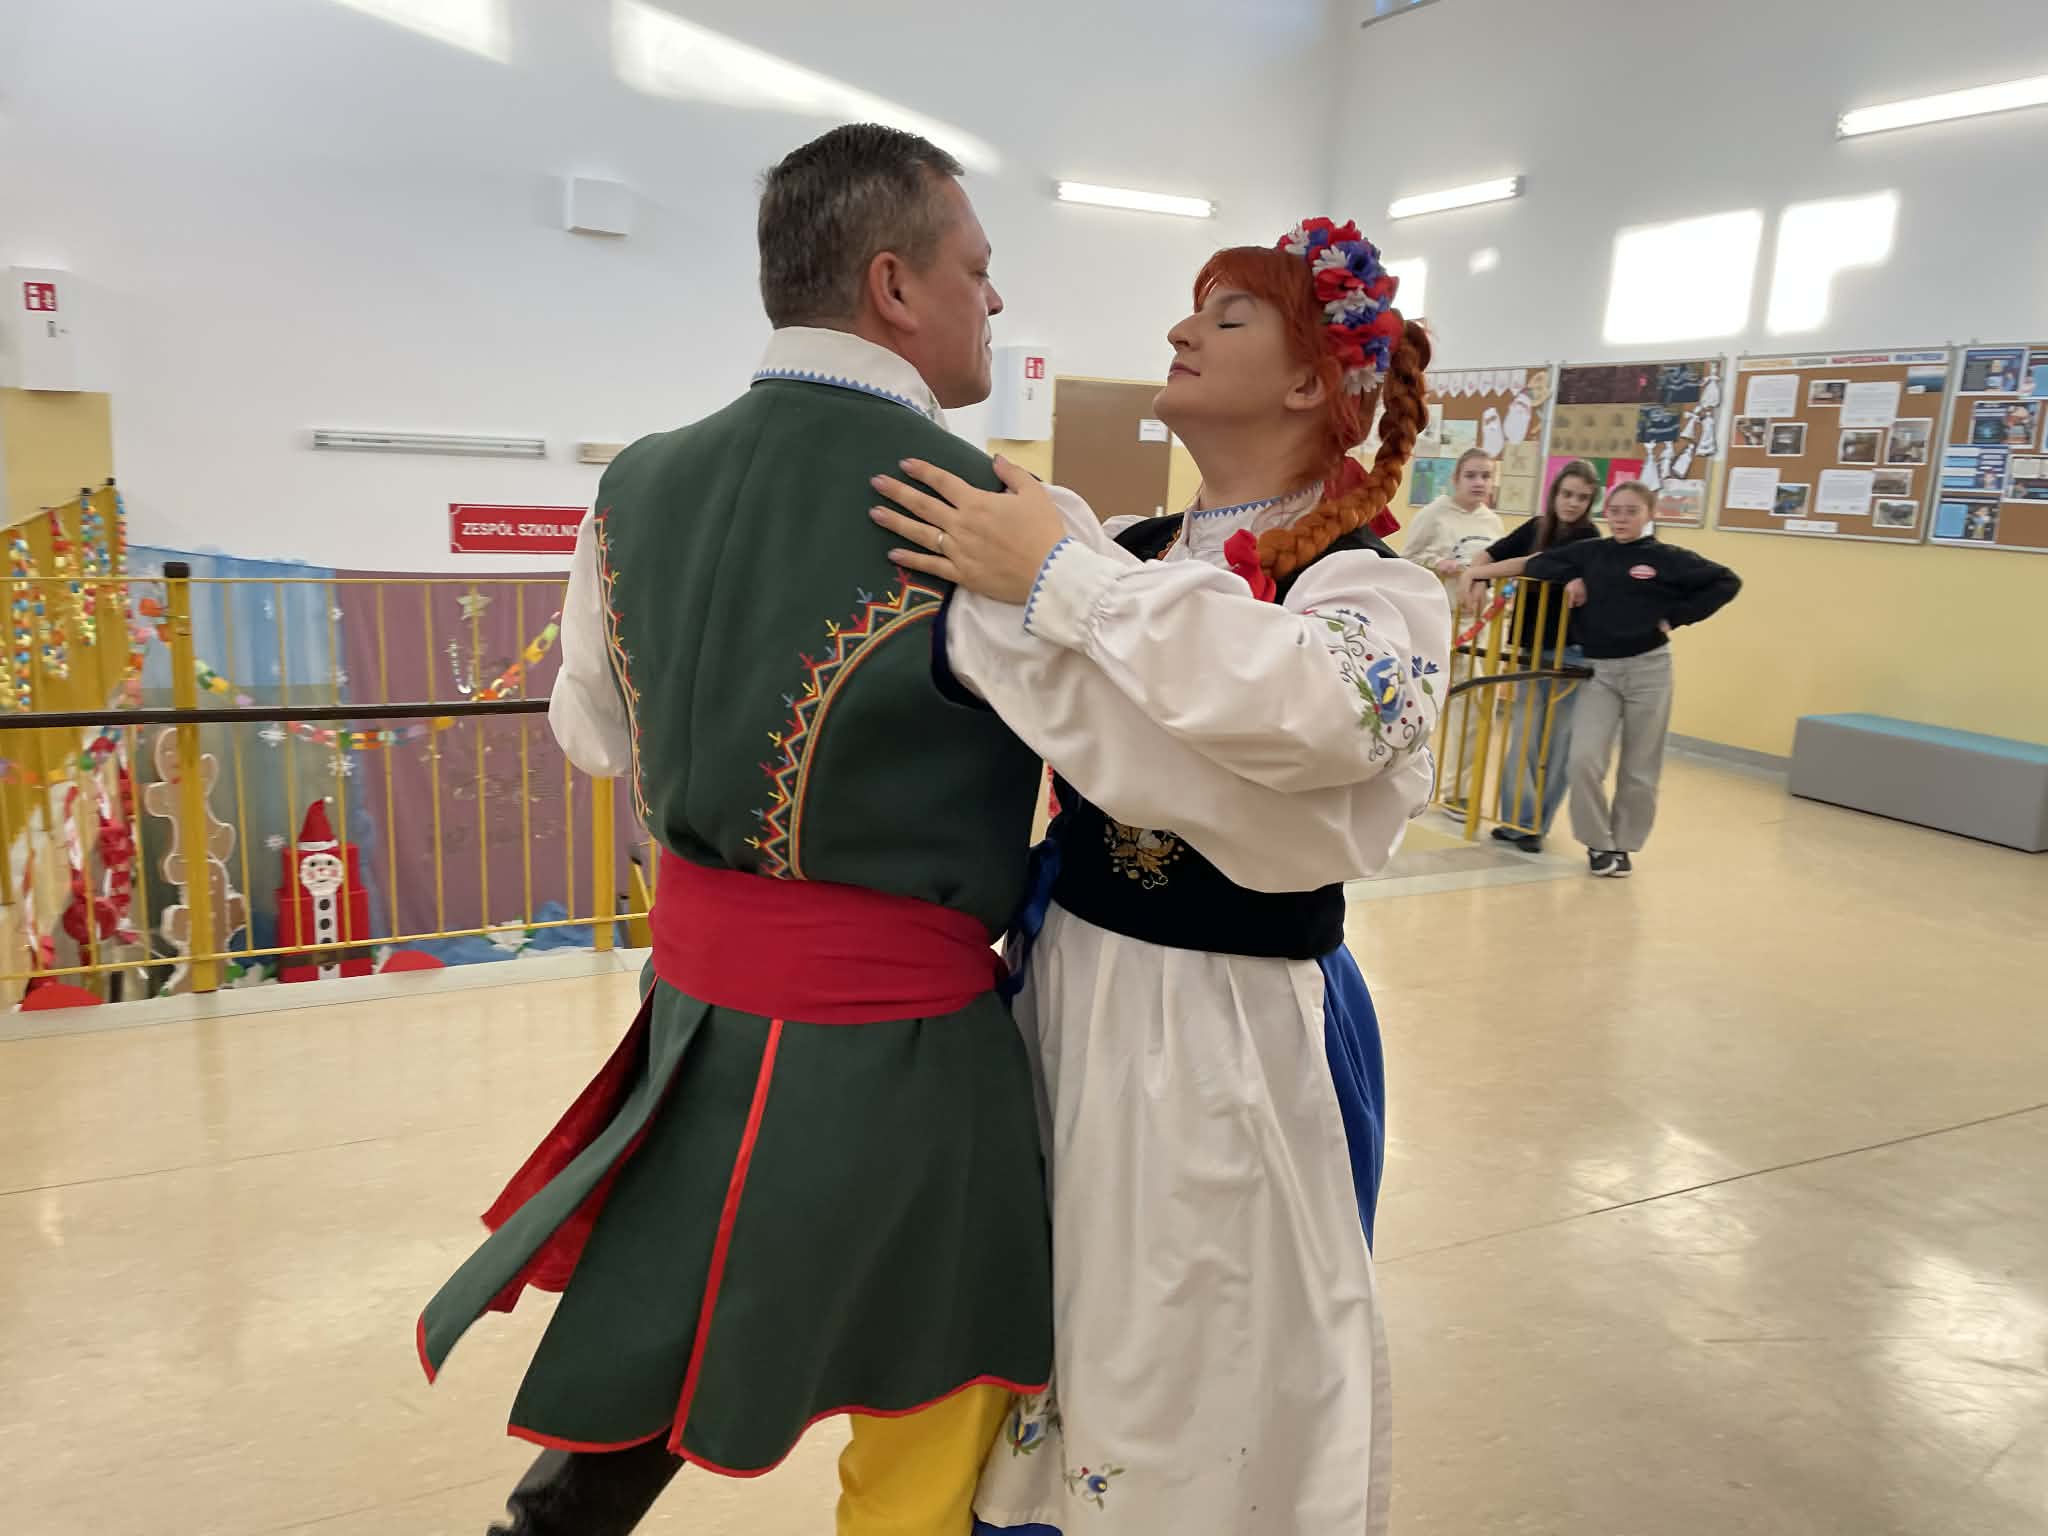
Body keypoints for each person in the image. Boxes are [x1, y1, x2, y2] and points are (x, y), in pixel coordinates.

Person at [416, 124, 1058, 1536]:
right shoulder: (996, 513)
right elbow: (1108, 747)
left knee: (661, 1339)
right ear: (894, 285)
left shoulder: (635, 482)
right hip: (905, 1050)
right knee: (933, 1388)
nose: (995, 299)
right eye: (976, 267)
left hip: (702, 1023)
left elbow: (593, 736)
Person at [869, 216, 1451, 1536]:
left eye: (1227, 318)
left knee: (1200, 1335)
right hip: (1068, 986)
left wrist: (1062, 587)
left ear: (1309, 380)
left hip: (1224, 1017)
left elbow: (1325, 717)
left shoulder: (1369, 589)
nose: (1181, 331)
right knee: (1069, 1305)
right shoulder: (1120, 548)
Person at [1523, 480, 1741, 877]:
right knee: (1583, 760)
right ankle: (1597, 842)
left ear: (1650, 514)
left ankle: (1624, 845)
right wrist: (1571, 579)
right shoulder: (1592, 553)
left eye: (1631, 512)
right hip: (1599, 672)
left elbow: (1726, 581)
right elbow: (1539, 565)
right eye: (1615, 511)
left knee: (1640, 766)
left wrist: (1675, 617)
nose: (1621, 519)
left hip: (1649, 670)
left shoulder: (1668, 559)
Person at [1457, 459, 1603, 851]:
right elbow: (1490, 554)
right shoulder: (1538, 527)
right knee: (1523, 736)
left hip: (1570, 652)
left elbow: (1532, 565)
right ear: (1554, 493)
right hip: (1528, 646)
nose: (1572, 503)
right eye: (1567, 494)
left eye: (1582, 498)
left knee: (1557, 743)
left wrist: (1479, 574)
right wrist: (1475, 573)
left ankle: (1536, 823)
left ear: (1590, 503)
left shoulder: (1590, 537)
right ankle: (1516, 821)